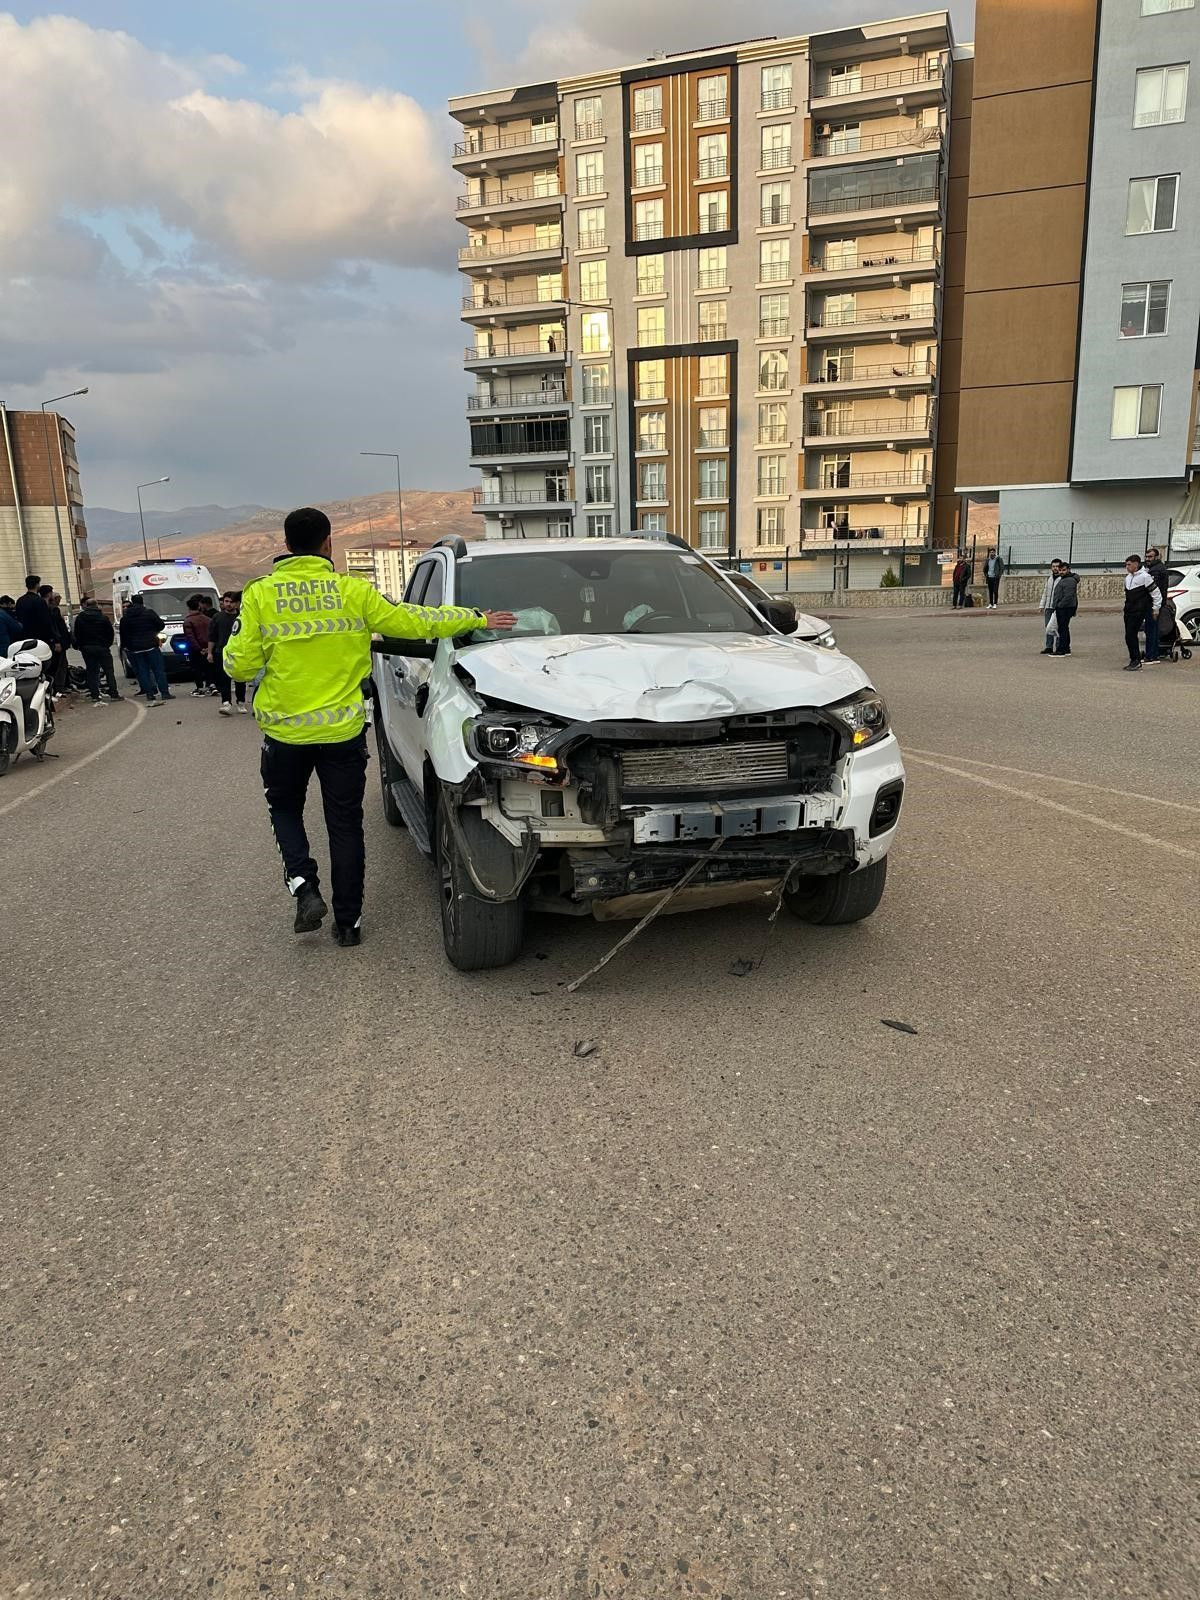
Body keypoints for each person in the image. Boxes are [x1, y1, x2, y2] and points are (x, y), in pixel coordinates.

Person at [223, 506, 518, 947]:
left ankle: (303, 885)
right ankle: (349, 924)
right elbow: (413, 621)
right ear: (329, 543)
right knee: (345, 824)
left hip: (285, 735)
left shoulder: (260, 595)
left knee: (284, 810)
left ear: (285, 546)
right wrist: (476, 618)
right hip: (342, 733)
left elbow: (240, 666)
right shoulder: (353, 591)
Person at [118, 594, 174, 704]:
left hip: (135, 649)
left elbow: (123, 634)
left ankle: (149, 694)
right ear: (142, 602)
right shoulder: (149, 613)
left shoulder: (125, 618)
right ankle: (164, 693)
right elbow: (161, 625)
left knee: (143, 672)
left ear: (132, 603)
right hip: (151, 646)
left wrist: (127, 647)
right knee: (158, 670)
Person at [71, 597, 124, 704]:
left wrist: (80, 646)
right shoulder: (103, 617)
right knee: (109, 671)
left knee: (91, 671)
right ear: (97, 605)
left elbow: (77, 633)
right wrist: (106, 644)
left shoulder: (80, 618)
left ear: (86, 605)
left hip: (87, 648)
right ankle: (114, 693)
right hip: (102, 647)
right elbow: (110, 633)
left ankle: (95, 695)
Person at [208, 590, 247, 715]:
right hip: (221, 652)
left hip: (239, 652)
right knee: (223, 679)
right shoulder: (217, 617)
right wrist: (210, 652)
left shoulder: (243, 616)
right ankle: (226, 702)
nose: (229, 604)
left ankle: (241, 702)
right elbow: (212, 636)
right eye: (226, 601)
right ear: (223, 602)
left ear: (237, 603)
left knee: (240, 678)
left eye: (232, 602)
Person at [1122, 554, 1160, 672]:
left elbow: (1156, 593)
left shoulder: (1145, 577)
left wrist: (1156, 608)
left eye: (1129, 564)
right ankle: (1134, 659)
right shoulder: (1128, 578)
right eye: (1126, 564)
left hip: (1139, 610)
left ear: (1136, 564)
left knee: (1131, 634)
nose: (1127, 567)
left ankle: (1136, 660)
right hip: (1128, 609)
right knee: (1129, 635)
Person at [42, 588, 73, 696]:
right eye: (58, 599)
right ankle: (60, 687)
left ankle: (61, 685)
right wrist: (58, 641)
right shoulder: (53, 610)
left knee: (61, 664)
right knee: (60, 665)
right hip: (59, 642)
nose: (60, 601)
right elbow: (57, 627)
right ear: (54, 599)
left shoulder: (48, 609)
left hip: (56, 641)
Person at [1142, 546, 1170, 665]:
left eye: (1150, 557)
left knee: (1152, 630)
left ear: (1156, 557)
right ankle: (1153, 654)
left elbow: (1154, 590)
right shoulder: (1153, 568)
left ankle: (1152, 656)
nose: (1148, 559)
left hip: (1154, 605)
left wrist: (1155, 607)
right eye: (1147, 557)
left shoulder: (1156, 570)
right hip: (1154, 605)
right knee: (1151, 629)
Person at [182, 595, 214, 696]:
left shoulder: (188, 621)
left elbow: (190, 637)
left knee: (197, 669)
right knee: (209, 667)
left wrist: (199, 649)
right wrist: (208, 648)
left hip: (196, 650)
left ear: (189, 608)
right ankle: (211, 685)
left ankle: (200, 688)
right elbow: (212, 634)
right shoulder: (208, 619)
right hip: (208, 647)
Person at [1049, 561, 1079, 657]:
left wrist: (1060, 605)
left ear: (1068, 570)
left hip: (1065, 608)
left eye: (1064, 570)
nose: (1061, 572)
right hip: (1066, 607)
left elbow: (1069, 596)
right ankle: (1065, 648)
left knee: (1062, 628)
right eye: (1060, 570)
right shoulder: (1064, 579)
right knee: (1064, 627)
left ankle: (1062, 649)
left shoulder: (1069, 580)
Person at [1038, 560, 1063, 654]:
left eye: (1057, 566)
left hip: (1057, 607)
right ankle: (1049, 646)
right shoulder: (1050, 578)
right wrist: (1042, 605)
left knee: (1057, 628)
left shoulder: (1062, 579)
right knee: (1048, 628)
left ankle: (1058, 647)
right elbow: (1045, 592)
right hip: (1048, 607)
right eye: (1053, 566)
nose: (1055, 568)